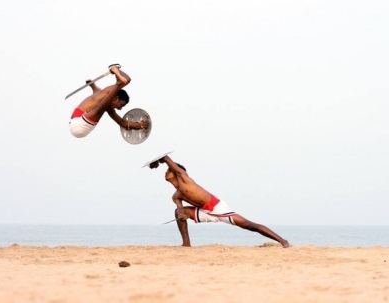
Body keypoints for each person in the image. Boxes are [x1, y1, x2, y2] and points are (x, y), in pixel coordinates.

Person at [149, 155, 290, 248]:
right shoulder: (176, 195)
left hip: (217, 208)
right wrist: (181, 214)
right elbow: (180, 210)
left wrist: (159, 161)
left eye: (168, 170)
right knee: (176, 212)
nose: (166, 173)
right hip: (205, 211)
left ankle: (283, 241)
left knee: (249, 225)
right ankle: (186, 244)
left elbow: (167, 158)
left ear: (176, 172)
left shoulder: (185, 179)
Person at [69, 64, 149, 138]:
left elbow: (122, 122)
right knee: (105, 98)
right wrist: (116, 69)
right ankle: (103, 85)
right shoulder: (108, 95)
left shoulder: (106, 104)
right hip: (78, 124)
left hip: (77, 125)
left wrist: (140, 125)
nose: (120, 108)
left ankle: (97, 87)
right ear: (116, 98)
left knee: (101, 99)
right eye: (121, 105)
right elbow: (127, 80)